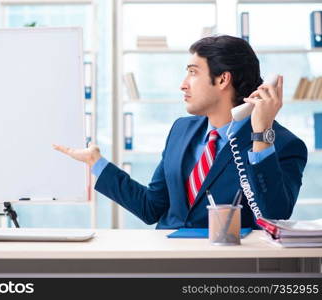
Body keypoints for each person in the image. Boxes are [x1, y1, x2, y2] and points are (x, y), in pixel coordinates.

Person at [53, 35, 307, 229]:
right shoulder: (181, 130)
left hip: (227, 269)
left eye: (193, 72)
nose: (183, 84)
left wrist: (261, 134)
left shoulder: (283, 144)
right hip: (167, 262)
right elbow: (151, 207)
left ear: (222, 80)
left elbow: (273, 216)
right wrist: (97, 164)